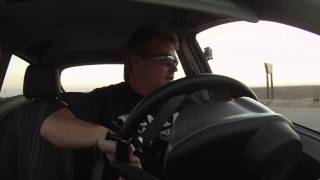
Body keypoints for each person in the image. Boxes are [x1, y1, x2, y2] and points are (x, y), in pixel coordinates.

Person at [40, 27, 180, 177]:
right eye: (166, 60)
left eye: (176, 61)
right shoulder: (106, 98)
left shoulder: (186, 97)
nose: (174, 68)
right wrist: (102, 136)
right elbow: (50, 126)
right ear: (136, 61)